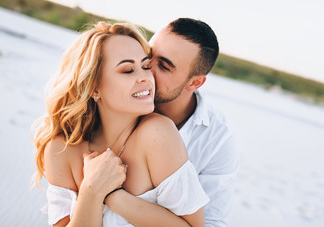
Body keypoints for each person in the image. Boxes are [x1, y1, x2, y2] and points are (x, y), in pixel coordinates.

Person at [32, 21, 209, 226]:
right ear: (93, 87)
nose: (145, 77)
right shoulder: (61, 148)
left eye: (145, 66)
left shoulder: (157, 134)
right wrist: (91, 190)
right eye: (127, 70)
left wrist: (113, 195)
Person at [103, 18, 239, 226]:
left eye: (164, 67)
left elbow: (212, 222)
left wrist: (111, 195)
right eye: (148, 56)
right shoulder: (113, 101)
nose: (146, 70)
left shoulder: (217, 140)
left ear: (195, 82)